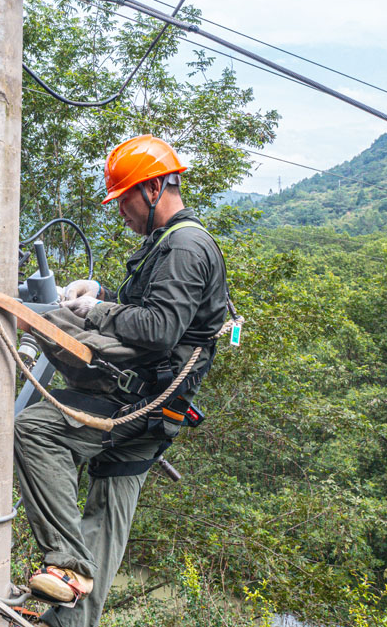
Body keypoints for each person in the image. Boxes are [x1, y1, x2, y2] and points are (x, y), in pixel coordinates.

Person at [13, 135, 230, 626]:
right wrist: (105, 293)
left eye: (124, 199)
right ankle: (69, 618)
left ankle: (66, 564)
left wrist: (98, 309)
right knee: (106, 527)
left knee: (35, 428)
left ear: (153, 188)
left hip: (138, 400)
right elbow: (162, 310)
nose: (121, 213)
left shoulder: (186, 244)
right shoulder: (168, 243)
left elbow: (158, 329)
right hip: (154, 409)